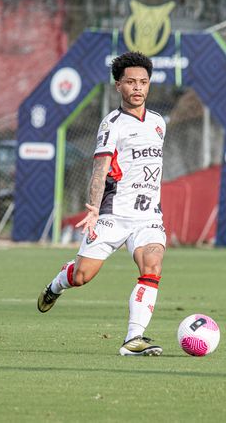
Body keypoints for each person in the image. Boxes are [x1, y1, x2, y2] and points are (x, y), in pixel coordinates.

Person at [37, 51, 168, 356]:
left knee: (153, 266)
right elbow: (100, 168)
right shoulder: (112, 124)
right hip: (112, 214)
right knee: (82, 276)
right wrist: (94, 208)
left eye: (143, 82)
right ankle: (57, 283)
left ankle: (134, 338)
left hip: (148, 216)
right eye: (131, 82)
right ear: (118, 86)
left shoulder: (159, 123)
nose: (138, 88)